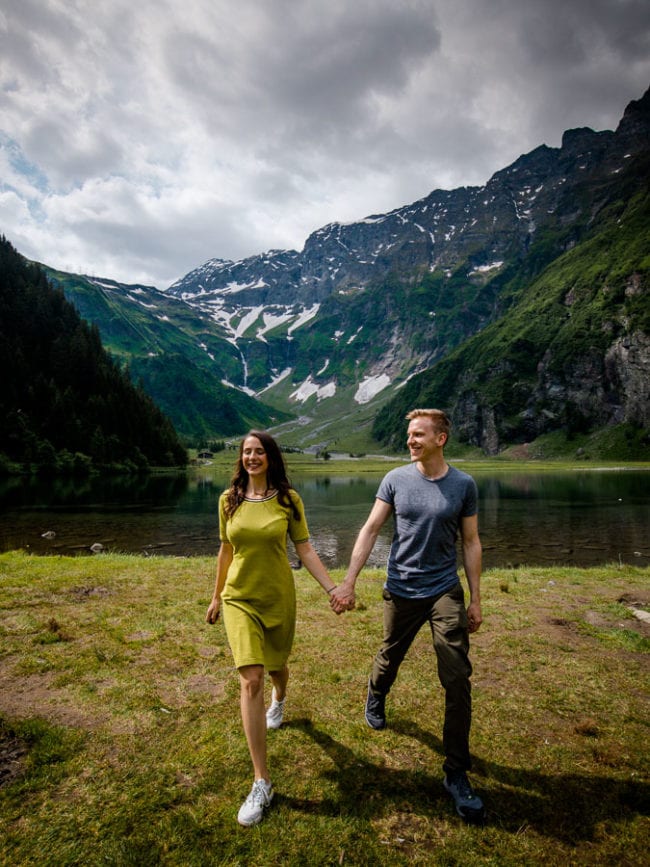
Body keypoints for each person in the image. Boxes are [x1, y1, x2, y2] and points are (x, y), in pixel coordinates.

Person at [330, 408, 485, 824]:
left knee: (457, 675)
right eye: (409, 435)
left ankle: (456, 773)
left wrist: (475, 598)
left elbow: (470, 542)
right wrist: (348, 582)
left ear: (441, 438)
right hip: (401, 588)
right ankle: (376, 693)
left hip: (443, 591)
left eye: (419, 435)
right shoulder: (395, 479)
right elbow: (370, 530)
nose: (411, 441)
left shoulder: (463, 485)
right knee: (389, 656)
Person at [206, 430, 339, 827]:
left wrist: (332, 588)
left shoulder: (288, 500)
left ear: (270, 457)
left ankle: (280, 698)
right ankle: (261, 781)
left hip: (278, 597)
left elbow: (305, 549)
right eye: (246, 452)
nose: (251, 457)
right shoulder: (227, 501)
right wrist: (215, 597)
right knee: (251, 678)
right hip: (238, 598)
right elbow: (226, 550)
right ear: (240, 458)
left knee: (276, 667)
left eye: (258, 451)